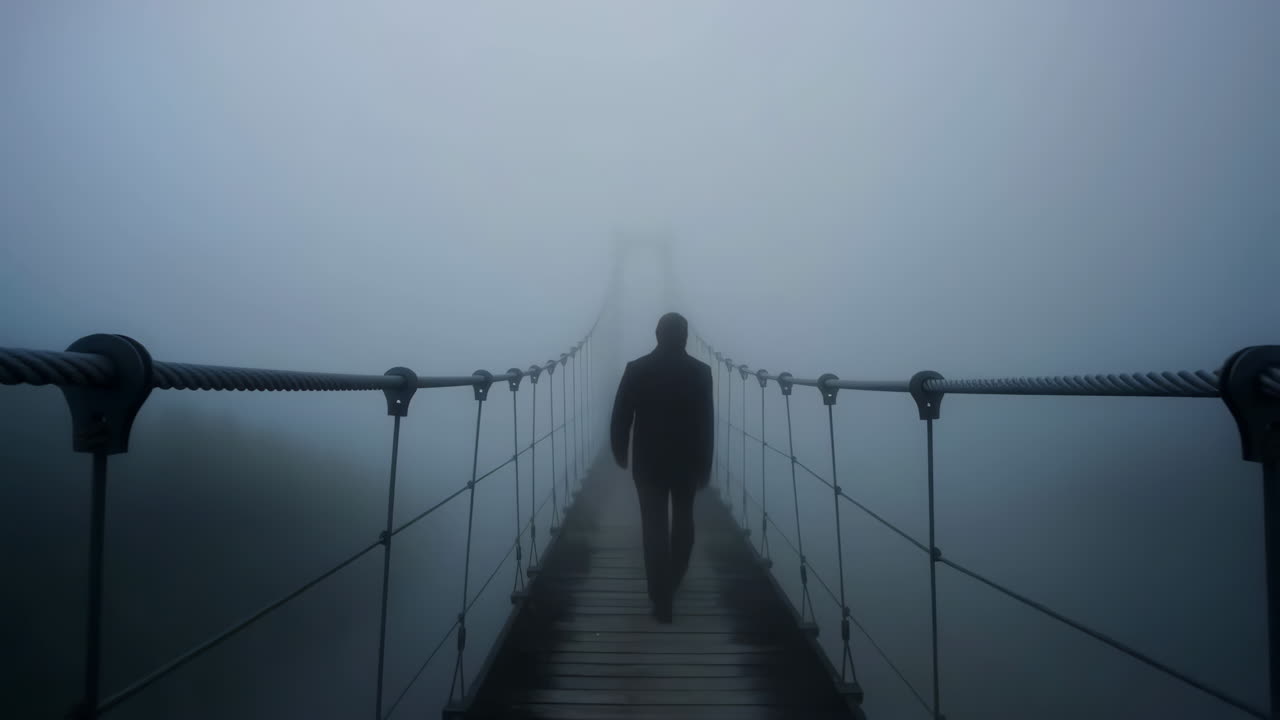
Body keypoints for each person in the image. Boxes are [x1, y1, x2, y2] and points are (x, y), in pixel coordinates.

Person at [610, 312, 714, 622]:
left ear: (657, 335)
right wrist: (705, 465)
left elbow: (621, 415)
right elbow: (706, 423)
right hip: (686, 463)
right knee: (684, 524)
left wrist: (620, 451)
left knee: (653, 530)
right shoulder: (701, 372)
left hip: (649, 463)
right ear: (685, 337)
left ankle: (661, 598)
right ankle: (673, 580)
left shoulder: (637, 369)